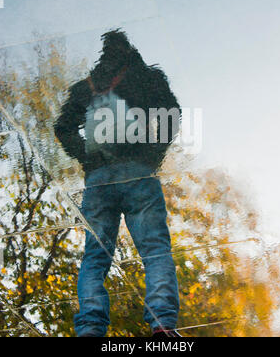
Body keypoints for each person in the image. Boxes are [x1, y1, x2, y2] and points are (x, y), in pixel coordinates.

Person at [54, 30, 181, 337]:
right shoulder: (149, 77)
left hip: (99, 181)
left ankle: (90, 329)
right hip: (138, 173)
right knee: (155, 250)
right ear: (131, 50)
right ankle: (162, 324)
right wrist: (152, 154)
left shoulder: (86, 88)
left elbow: (63, 127)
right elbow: (172, 115)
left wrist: (86, 157)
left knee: (95, 258)